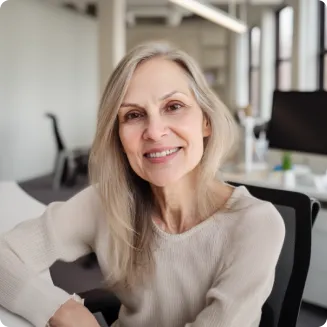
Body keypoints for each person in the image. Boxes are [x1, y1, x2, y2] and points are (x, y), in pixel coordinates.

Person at [0, 41, 285, 327]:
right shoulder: (107, 202)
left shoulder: (255, 223)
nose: (155, 131)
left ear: (206, 121)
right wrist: (59, 309)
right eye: (134, 115)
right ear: (119, 137)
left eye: (174, 106)